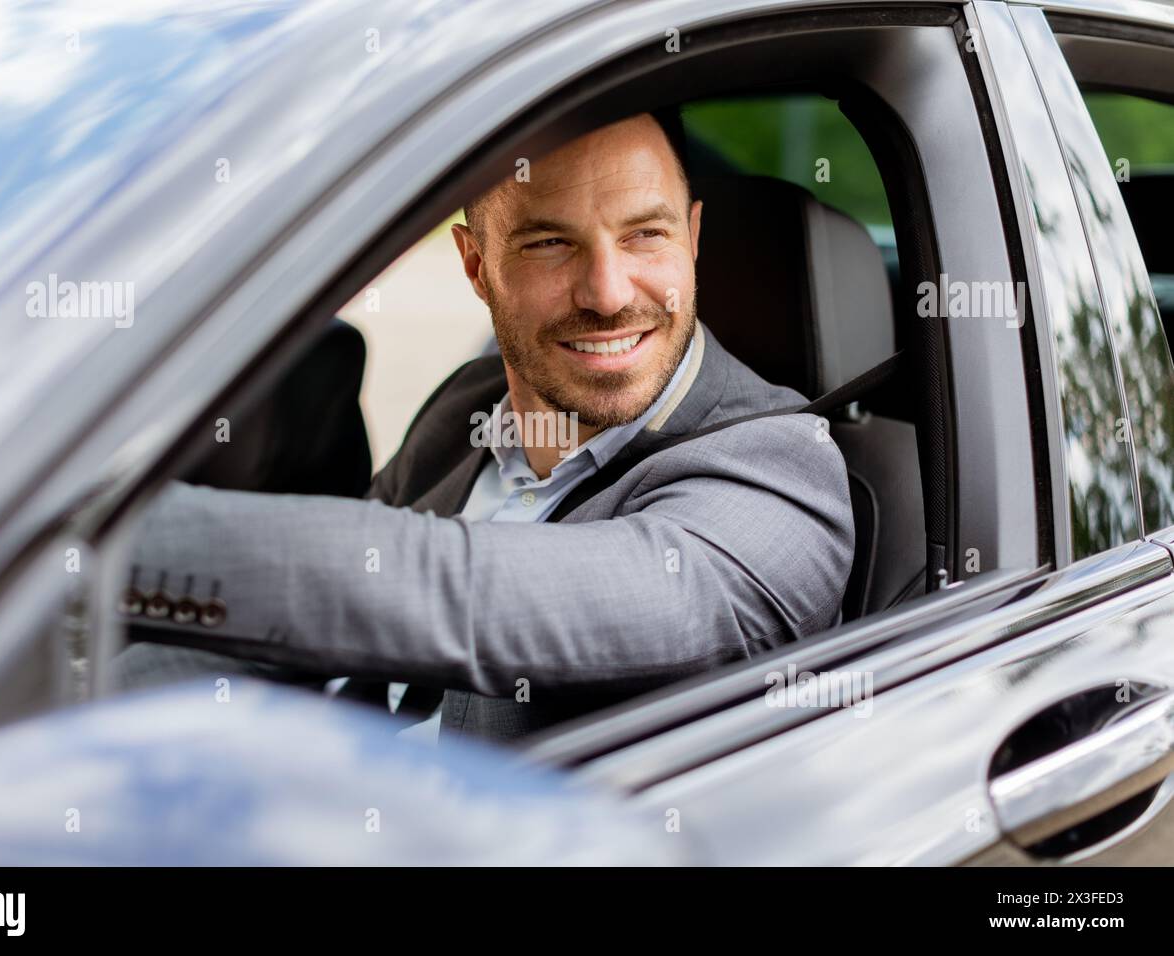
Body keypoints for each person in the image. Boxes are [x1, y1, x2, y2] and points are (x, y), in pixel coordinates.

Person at [114, 112, 855, 744]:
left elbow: (455, 592)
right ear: (476, 266)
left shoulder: (782, 479)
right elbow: (316, 638)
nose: (606, 291)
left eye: (644, 236)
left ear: (692, 239)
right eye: (549, 243)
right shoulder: (466, 412)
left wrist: (100, 542)